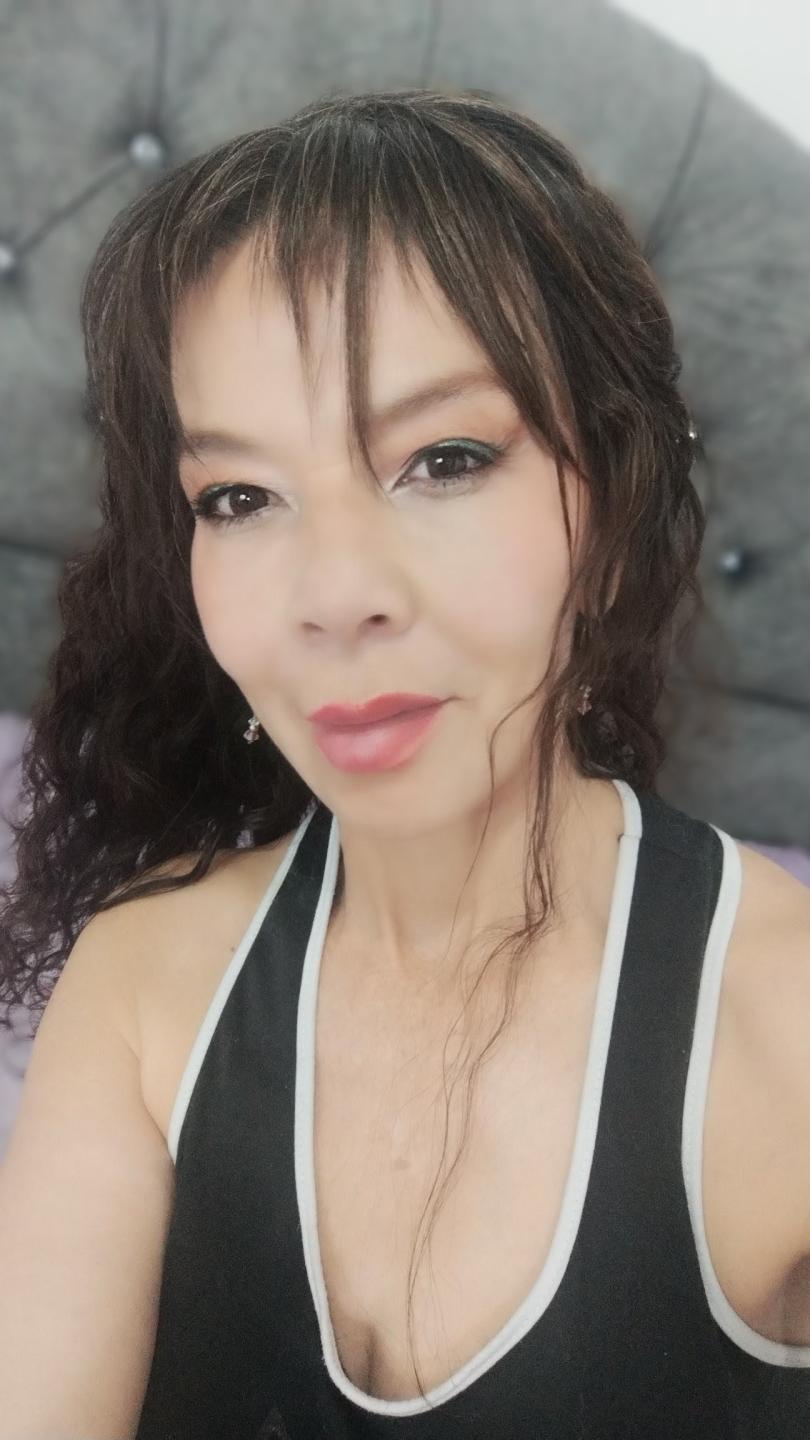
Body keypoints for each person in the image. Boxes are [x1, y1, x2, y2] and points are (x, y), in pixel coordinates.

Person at [0, 87, 808, 1439]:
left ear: (608, 504)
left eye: (443, 459)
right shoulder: (147, 983)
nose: (335, 596)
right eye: (240, 497)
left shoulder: (784, 1025)